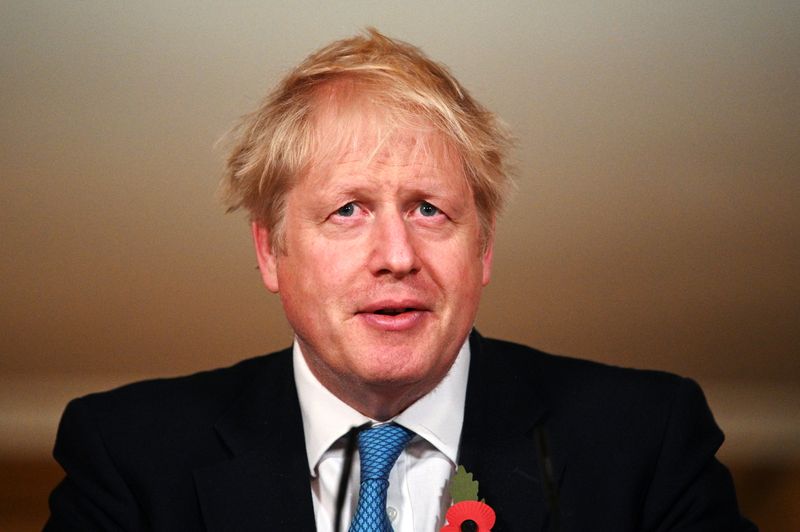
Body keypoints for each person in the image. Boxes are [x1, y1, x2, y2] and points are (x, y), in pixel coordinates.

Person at [45, 29, 755, 531]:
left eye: (429, 209)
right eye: (347, 210)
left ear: (482, 250)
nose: (397, 255)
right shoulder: (131, 454)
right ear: (270, 251)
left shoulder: (643, 440)